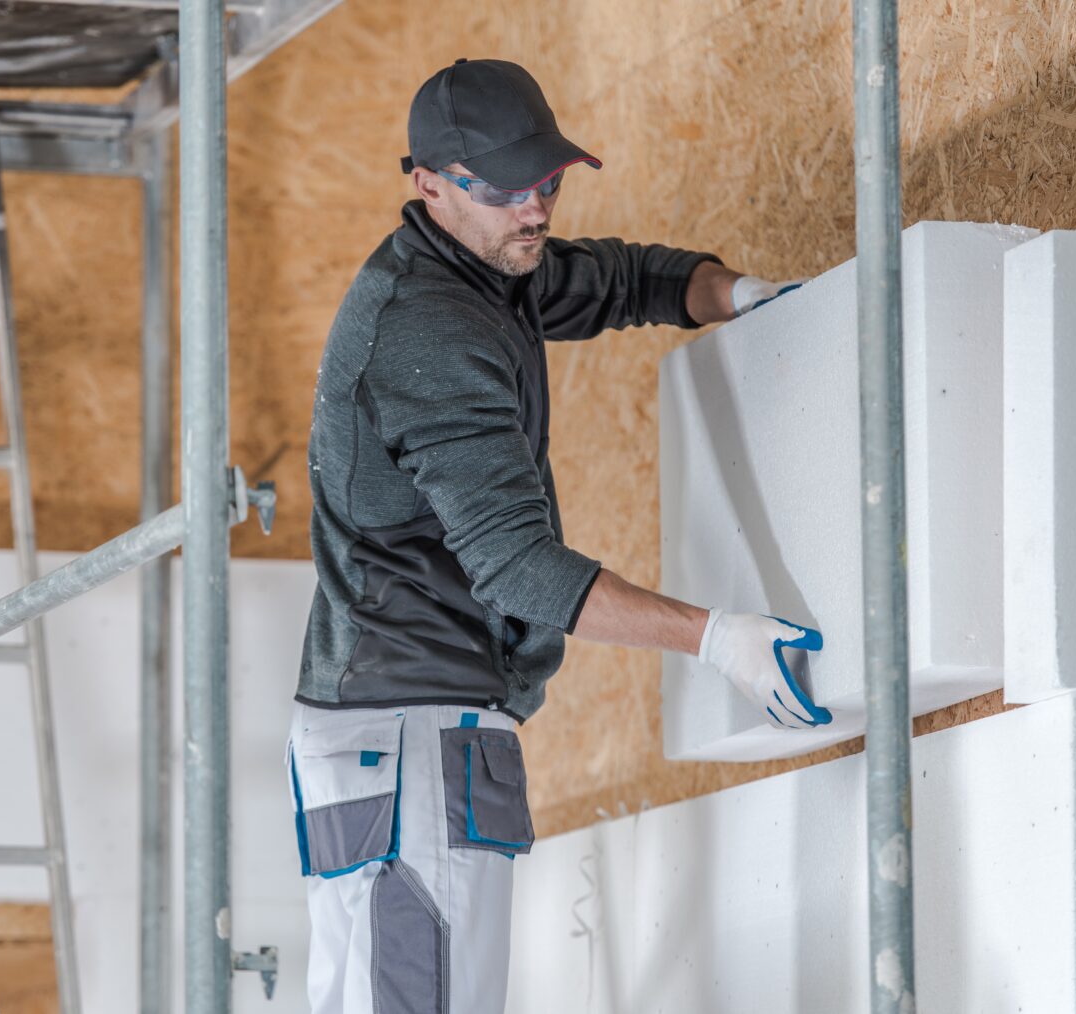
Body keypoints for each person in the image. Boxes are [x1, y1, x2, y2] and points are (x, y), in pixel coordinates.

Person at [288, 58, 829, 1014]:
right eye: (503, 190)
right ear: (430, 184)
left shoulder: (491, 264)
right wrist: (717, 640)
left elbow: (625, 280)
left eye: (546, 181)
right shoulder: (428, 328)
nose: (534, 210)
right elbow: (516, 568)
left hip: (422, 729)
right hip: (408, 732)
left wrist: (743, 296)